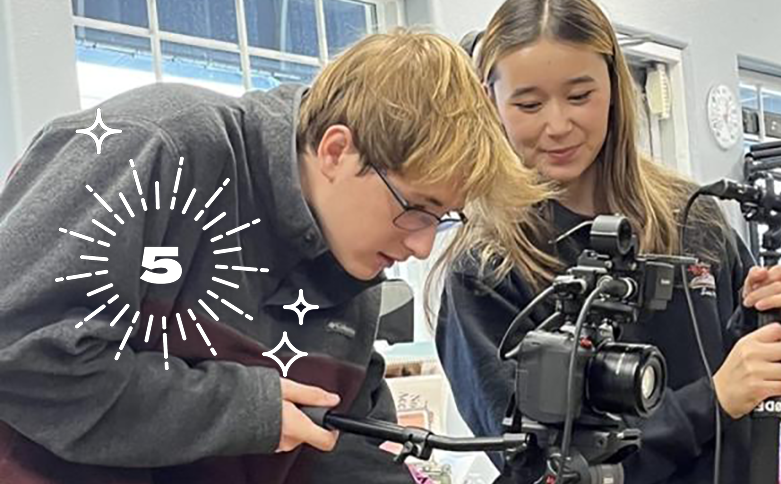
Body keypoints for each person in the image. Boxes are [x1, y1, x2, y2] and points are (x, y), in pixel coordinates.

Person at [0, 30, 549, 484]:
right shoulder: (158, 146)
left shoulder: (350, 265)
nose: (422, 245)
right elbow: (19, 356)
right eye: (417, 208)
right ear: (337, 149)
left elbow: (344, 447)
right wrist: (243, 409)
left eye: (443, 217)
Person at [433, 1, 781, 483]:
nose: (557, 125)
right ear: (492, 103)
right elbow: (541, 467)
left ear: (615, 88)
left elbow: (760, 398)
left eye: (579, 96)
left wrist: (773, 328)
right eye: (529, 104)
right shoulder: (487, 267)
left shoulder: (694, 220)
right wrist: (710, 402)